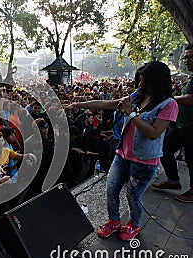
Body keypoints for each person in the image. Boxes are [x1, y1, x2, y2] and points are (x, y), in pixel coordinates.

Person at [67, 61, 178, 240]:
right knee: (111, 189)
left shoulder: (169, 104)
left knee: (133, 196)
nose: (140, 84)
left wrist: (131, 114)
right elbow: (107, 104)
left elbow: (154, 133)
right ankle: (114, 221)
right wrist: (79, 105)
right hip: (122, 154)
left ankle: (134, 224)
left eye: (144, 81)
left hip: (143, 160)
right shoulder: (138, 96)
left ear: (156, 82)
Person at [152, 44, 193, 203]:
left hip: (191, 127)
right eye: (186, 57)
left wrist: (169, 100)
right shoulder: (190, 79)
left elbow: (190, 99)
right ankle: (173, 180)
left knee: (191, 158)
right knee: (165, 148)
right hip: (181, 126)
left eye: (190, 57)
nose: (187, 60)